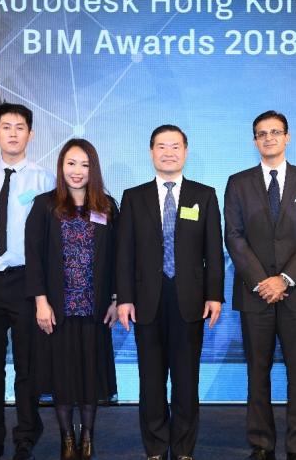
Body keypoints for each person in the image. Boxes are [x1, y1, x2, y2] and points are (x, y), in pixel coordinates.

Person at [116, 125, 224, 460]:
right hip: (146, 299)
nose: (168, 152)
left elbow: (214, 252)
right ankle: (154, 448)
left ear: (186, 151)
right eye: (161, 146)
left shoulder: (203, 195)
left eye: (175, 146)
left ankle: (183, 449)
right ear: (151, 152)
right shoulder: (133, 197)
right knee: (150, 380)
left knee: (186, 379)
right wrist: (124, 298)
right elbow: (124, 252)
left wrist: (215, 295)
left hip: (189, 299)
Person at [224, 111, 296, 460]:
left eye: (275, 132)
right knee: (258, 372)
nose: (268, 138)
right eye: (261, 134)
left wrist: (283, 279)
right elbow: (234, 237)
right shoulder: (238, 183)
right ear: (254, 141)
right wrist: (262, 281)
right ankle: (262, 444)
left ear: (288, 137)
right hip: (255, 296)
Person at [0, 104, 53, 460]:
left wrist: (43, 294)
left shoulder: (44, 179)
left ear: (30, 134)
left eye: (20, 127)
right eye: (6, 126)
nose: (13, 133)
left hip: (25, 281)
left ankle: (26, 433)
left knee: (26, 366)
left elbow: (50, 240)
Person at [25, 139, 119, 460]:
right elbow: (34, 257)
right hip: (58, 308)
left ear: (93, 169)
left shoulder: (107, 206)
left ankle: (88, 437)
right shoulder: (44, 206)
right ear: (61, 166)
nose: (77, 171)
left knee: (90, 376)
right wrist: (40, 301)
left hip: (95, 308)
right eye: (71, 164)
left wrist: (116, 299)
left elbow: (119, 258)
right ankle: (67, 439)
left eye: (84, 165)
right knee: (63, 376)